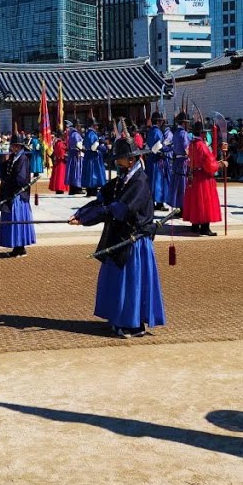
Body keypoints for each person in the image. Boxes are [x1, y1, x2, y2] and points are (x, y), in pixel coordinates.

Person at [70, 137, 164, 338]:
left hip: (133, 241)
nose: (116, 162)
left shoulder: (139, 182)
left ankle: (132, 324)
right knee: (117, 281)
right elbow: (104, 198)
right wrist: (81, 214)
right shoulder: (124, 179)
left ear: (131, 160)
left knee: (130, 283)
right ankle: (120, 319)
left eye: (119, 158)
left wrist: (87, 218)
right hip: (120, 236)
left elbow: (120, 209)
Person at [0, 134, 35, 258]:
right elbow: (0, 169)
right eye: (13, 145)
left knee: (17, 220)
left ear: (20, 147)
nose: (13, 148)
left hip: (18, 196)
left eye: (16, 146)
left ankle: (20, 247)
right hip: (11, 193)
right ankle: (16, 247)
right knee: (11, 220)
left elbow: (21, 179)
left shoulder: (23, 159)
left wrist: (8, 180)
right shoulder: (12, 158)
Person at [182, 120, 222, 236]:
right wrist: (220, 164)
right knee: (205, 200)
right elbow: (209, 164)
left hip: (194, 174)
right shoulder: (202, 146)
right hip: (203, 176)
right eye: (205, 132)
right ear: (202, 133)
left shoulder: (192, 144)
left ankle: (195, 224)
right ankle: (205, 227)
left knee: (195, 200)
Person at [144, 113, 172, 212]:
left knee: (152, 181)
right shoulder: (157, 132)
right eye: (161, 121)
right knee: (158, 181)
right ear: (158, 121)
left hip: (151, 159)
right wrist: (169, 147)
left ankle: (152, 202)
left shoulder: (151, 131)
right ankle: (159, 202)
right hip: (157, 160)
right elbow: (159, 146)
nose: (161, 123)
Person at [167, 112, 192, 213]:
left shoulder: (175, 133)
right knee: (183, 184)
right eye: (187, 123)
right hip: (183, 162)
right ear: (184, 123)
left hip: (177, 160)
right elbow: (186, 148)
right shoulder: (184, 134)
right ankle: (184, 207)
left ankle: (180, 206)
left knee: (178, 184)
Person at [82, 119, 106, 197]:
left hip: (88, 155)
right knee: (93, 172)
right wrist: (102, 146)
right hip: (93, 156)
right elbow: (93, 147)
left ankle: (90, 190)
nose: (97, 126)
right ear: (93, 125)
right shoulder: (92, 134)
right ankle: (93, 190)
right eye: (96, 125)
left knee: (88, 171)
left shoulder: (88, 133)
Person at [65, 120, 84, 195]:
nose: (80, 127)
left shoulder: (72, 134)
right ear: (77, 126)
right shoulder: (76, 134)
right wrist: (83, 148)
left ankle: (72, 189)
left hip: (72, 155)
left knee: (72, 171)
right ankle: (77, 188)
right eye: (79, 125)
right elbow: (78, 145)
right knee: (77, 171)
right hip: (76, 155)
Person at [50, 130, 68, 194]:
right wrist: (65, 155)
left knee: (58, 175)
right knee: (60, 176)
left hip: (59, 161)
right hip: (60, 162)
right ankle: (60, 188)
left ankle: (59, 188)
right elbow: (60, 153)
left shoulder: (58, 142)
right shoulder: (60, 143)